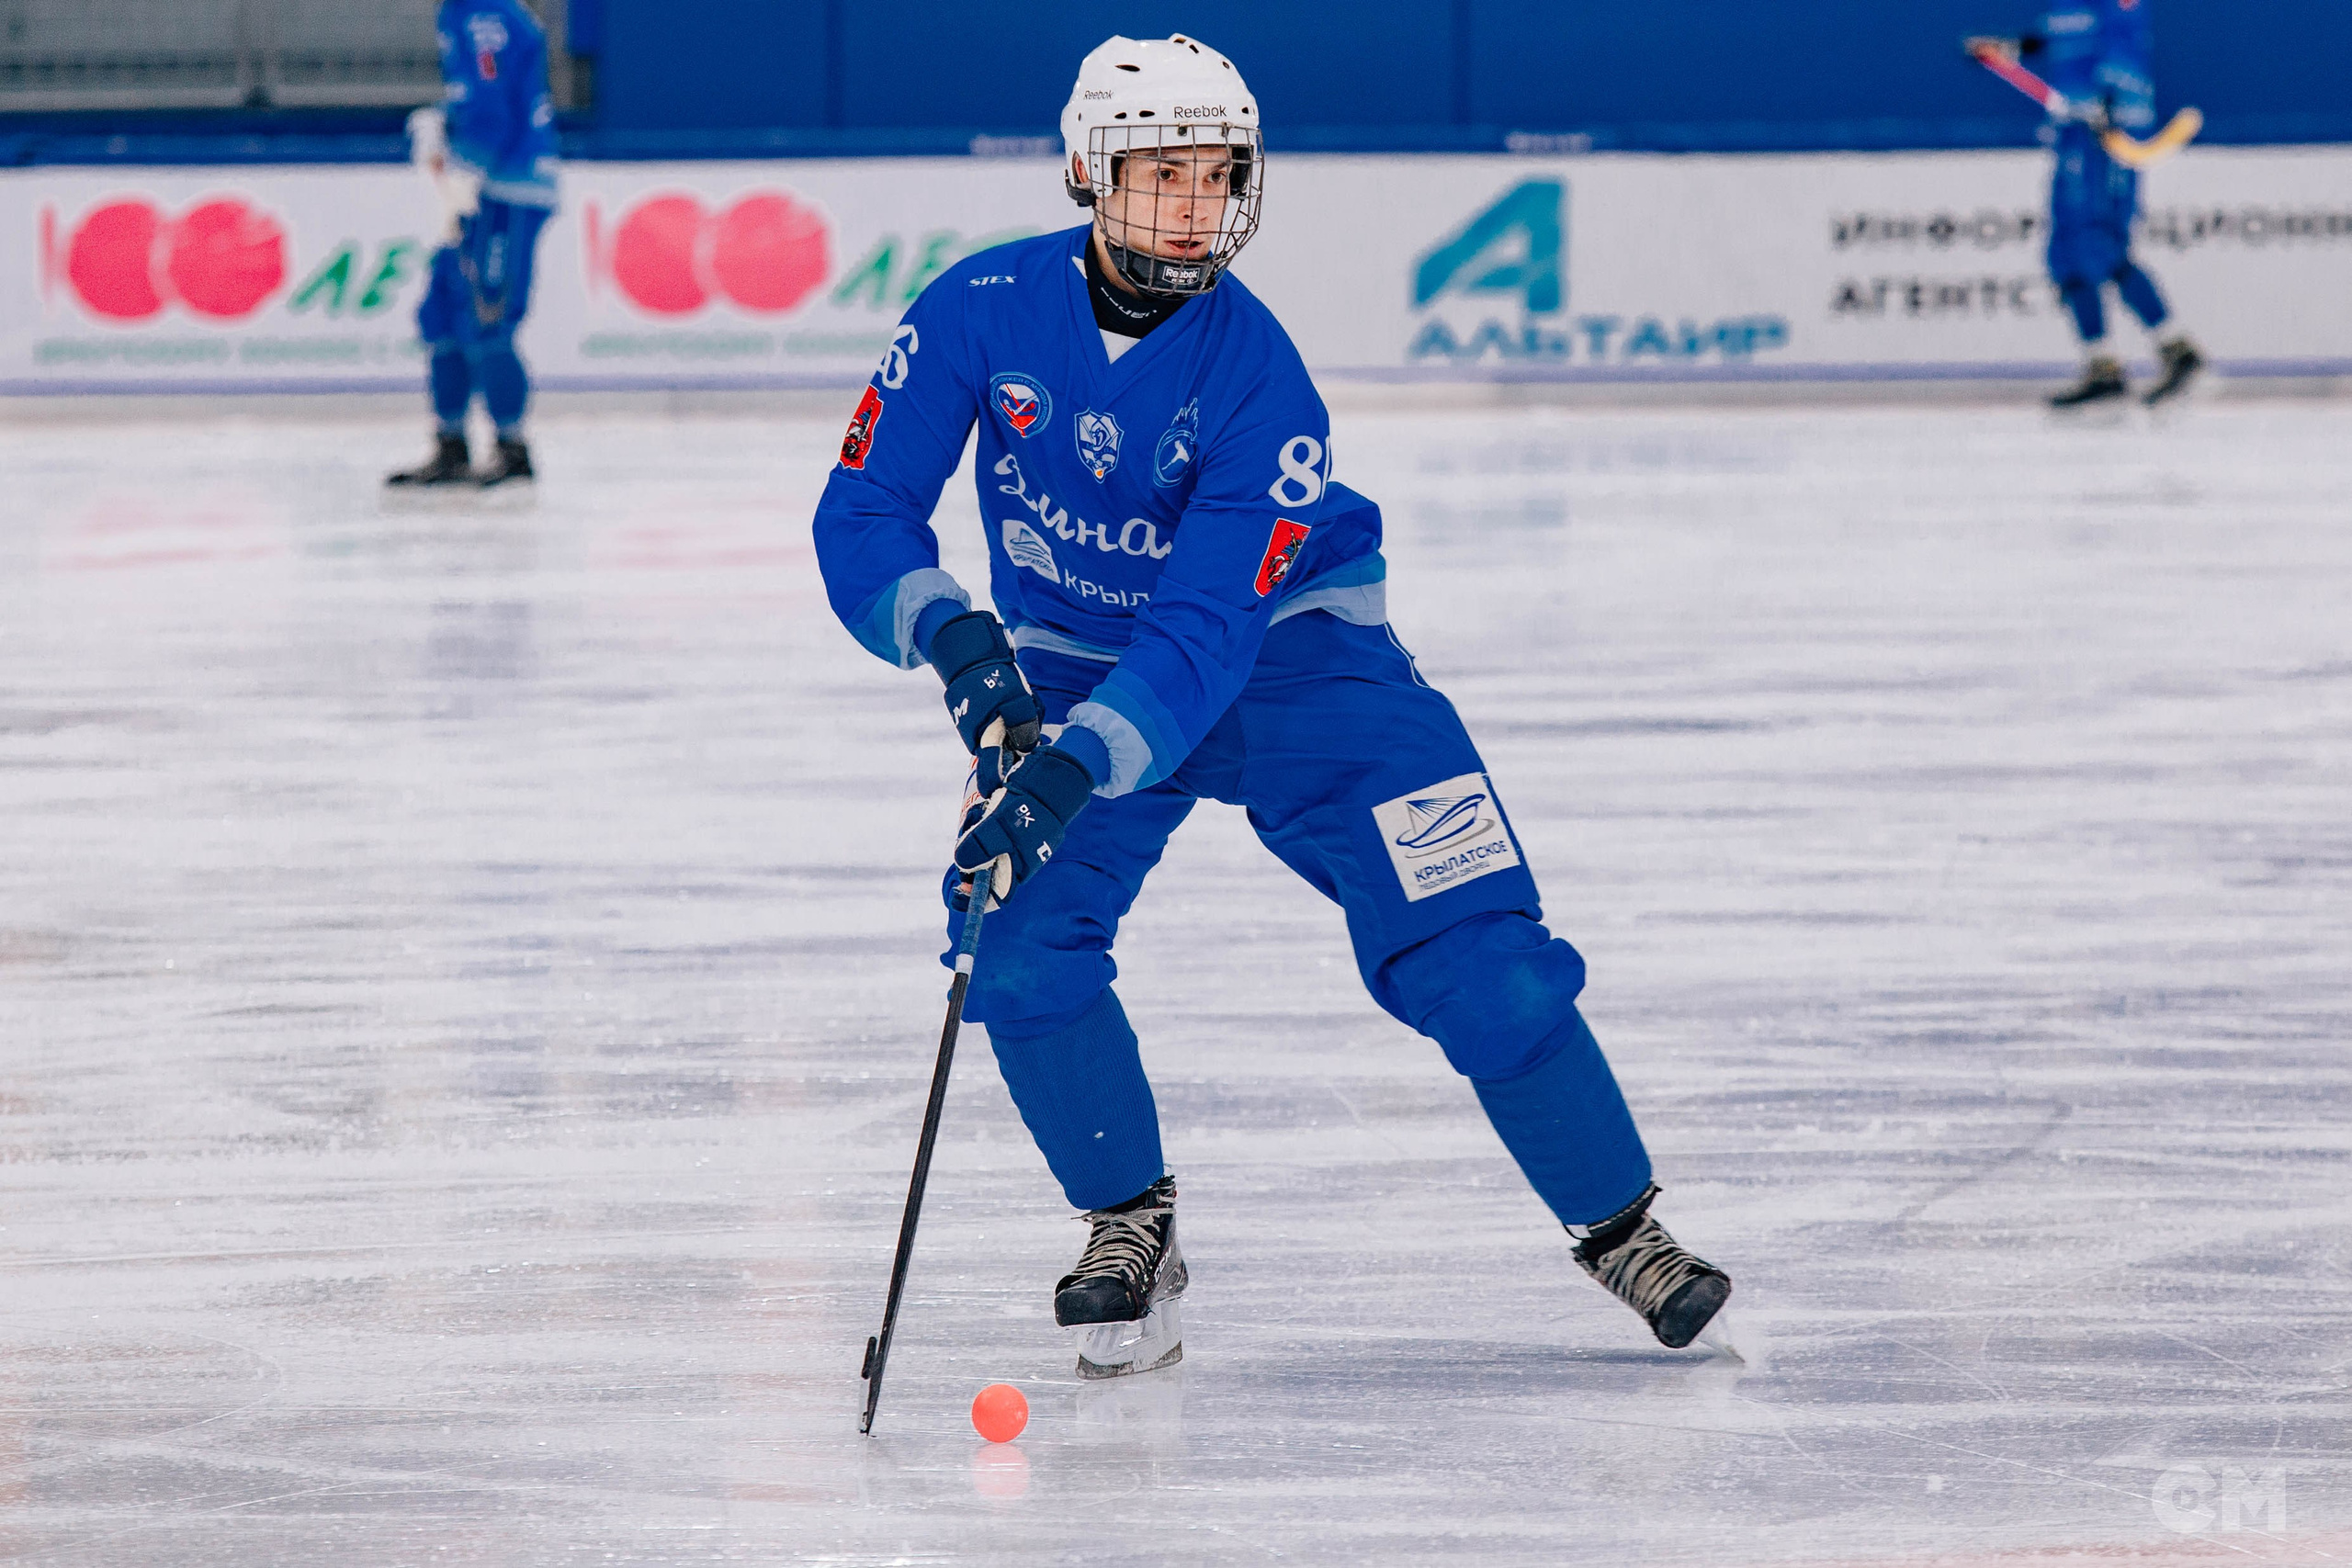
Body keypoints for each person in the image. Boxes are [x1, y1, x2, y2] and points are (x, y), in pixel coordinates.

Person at [811, 34, 1733, 1380]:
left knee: (1478, 949)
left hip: (1304, 668)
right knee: (1011, 937)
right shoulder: (975, 306)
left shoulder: (1259, 375)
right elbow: (866, 508)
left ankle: (1620, 1223)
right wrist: (964, 651)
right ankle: (1130, 1223)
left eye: (1218, 175)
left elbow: (1202, 630)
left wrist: (1068, 769)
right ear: (1087, 169)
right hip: (1073, 658)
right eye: (1161, 172)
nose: (1193, 206)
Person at [1967, 0, 2203, 409]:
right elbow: (2058, 39)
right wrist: (2012, 49)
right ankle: (2103, 368)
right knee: (2065, 254)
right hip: (2071, 130)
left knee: (2100, 245)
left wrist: (2111, 105)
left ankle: (2178, 352)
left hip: (2106, 132)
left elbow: (2123, 44)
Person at [387, 0, 560, 491]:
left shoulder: (486, 18)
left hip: (505, 193)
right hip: (481, 191)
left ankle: (511, 447)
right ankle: (451, 444)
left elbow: (492, 107)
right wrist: (445, 125)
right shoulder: (463, 14)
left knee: (488, 316)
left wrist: (465, 167)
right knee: (441, 313)